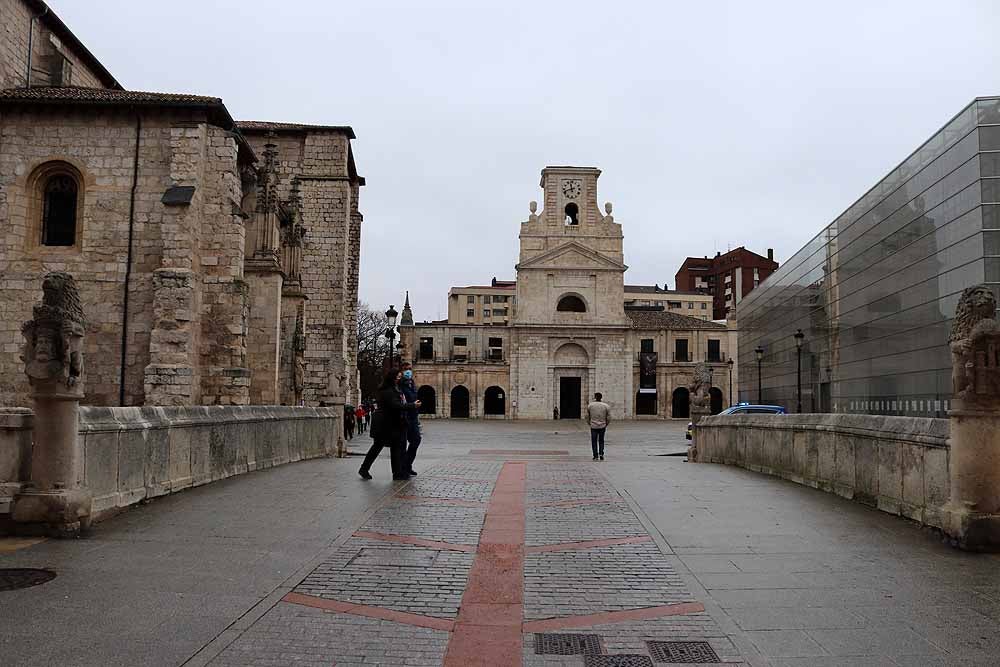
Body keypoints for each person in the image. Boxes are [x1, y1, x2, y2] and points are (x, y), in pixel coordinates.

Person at [359, 369, 419, 480]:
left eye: (400, 376)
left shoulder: (395, 389)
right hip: (385, 424)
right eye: (398, 377)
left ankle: (397, 473)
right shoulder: (387, 391)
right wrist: (412, 406)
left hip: (394, 423)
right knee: (377, 447)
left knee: (395, 448)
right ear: (392, 378)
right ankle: (364, 468)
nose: (399, 378)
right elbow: (395, 405)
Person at [399, 361, 421, 476]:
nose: (408, 371)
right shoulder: (400, 384)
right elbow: (404, 400)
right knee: (403, 443)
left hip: (413, 416)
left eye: (410, 369)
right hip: (405, 417)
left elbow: (413, 396)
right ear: (402, 371)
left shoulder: (411, 382)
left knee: (416, 440)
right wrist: (413, 404)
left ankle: (407, 465)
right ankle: (404, 467)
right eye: (406, 369)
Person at [586, 392, 611, 461]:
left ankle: (595, 455)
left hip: (593, 426)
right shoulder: (606, 406)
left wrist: (590, 423)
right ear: (601, 397)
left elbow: (587, 416)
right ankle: (601, 454)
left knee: (594, 441)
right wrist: (606, 424)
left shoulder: (590, 405)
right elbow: (609, 417)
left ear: (595, 397)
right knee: (601, 440)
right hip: (602, 426)